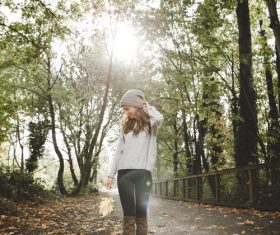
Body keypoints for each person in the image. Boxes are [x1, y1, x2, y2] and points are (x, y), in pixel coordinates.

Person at [106, 89, 164, 235]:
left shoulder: (150, 124)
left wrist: (147, 107)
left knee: (141, 214)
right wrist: (110, 174)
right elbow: (119, 151)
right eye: (124, 110)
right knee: (128, 215)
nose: (126, 112)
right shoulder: (125, 126)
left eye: (128, 109)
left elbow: (159, 117)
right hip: (124, 174)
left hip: (143, 174)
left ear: (137, 106)